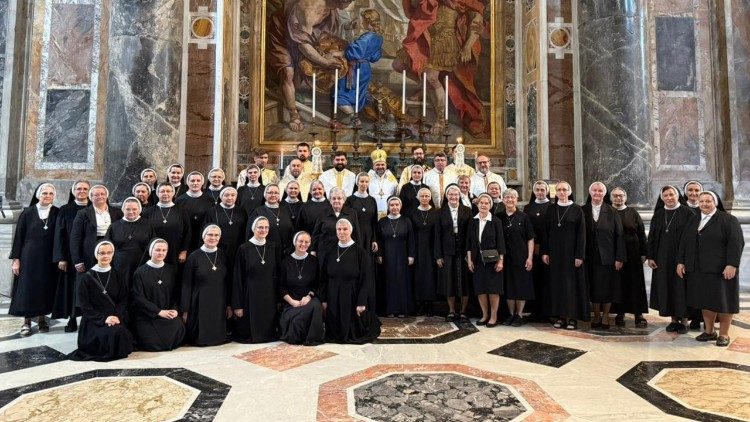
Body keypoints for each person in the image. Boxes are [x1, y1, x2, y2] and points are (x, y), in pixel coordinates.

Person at [678, 191, 744, 347]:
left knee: (724, 301)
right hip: (698, 269)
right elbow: (684, 242)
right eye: (702, 201)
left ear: (715, 202)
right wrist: (681, 262)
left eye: (708, 201)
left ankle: (724, 334)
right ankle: (709, 332)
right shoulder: (693, 219)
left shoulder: (728, 220)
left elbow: (736, 243)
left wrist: (732, 264)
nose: (704, 204)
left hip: (721, 269)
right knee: (705, 300)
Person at [69, 241, 134, 361]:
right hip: (94, 320)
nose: (106, 256)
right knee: (113, 334)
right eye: (102, 253)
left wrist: (116, 317)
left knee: (121, 332)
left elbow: (123, 299)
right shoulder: (86, 278)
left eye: (109, 253)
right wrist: (104, 319)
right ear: (96, 254)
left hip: (114, 318)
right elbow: (85, 306)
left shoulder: (117, 275)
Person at [10, 183, 60, 336]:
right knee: (27, 288)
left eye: (51, 193)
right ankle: (26, 321)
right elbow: (19, 237)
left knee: (44, 288)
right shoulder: (28, 212)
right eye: (45, 193)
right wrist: (16, 259)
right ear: (38, 195)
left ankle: (42, 320)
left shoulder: (57, 212)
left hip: (48, 258)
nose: (48, 196)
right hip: (29, 257)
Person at [320, 219, 380, 343]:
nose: (341, 232)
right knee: (333, 331)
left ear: (351, 231)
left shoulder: (360, 252)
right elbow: (324, 278)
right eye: (339, 229)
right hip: (332, 295)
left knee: (352, 331)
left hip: (351, 296)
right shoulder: (330, 251)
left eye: (345, 229)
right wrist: (324, 299)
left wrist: (361, 302)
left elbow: (365, 279)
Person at [541, 181, 588, 330]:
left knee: (571, 286)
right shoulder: (551, 209)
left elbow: (582, 234)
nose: (562, 192)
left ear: (569, 192)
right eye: (559, 190)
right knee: (557, 285)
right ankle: (560, 316)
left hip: (571, 255)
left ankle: (572, 317)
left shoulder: (577, 210)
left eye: (564, 189)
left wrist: (579, 255)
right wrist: (545, 252)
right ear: (555, 192)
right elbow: (545, 232)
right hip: (554, 254)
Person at [647, 185, 694, 334]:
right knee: (666, 287)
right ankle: (673, 320)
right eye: (665, 195)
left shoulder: (687, 212)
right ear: (662, 198)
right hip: (662, 258)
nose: (669, 198)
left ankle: (684, 320)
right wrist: (650, 256)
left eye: (671, 194)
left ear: (677, 195)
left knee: (681, 288)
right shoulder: (659, 214)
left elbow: (691, 239)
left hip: (681, 257)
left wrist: (685, 259)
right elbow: (652, 237)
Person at [583, 182, 625, 329]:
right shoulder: (582, 210)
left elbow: (619, 236)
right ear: (590, 192)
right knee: (593, 287)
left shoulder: (612, 211)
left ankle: (606, 315)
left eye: (600, 191)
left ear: (604, 193)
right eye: (594, 190)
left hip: (608, 257)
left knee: (607, 287)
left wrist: (619, 257)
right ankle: (596, 315)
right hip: (588, 256)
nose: (597, 193)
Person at [131, 238, 185, 351]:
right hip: (148, 316)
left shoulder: (171, 270)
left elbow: (175, 295)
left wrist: (174, 310)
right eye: (157, 250)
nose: (161, 253)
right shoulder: (140, 272)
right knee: (151, 339)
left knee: (178, 326)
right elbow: (139, 298)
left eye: (164, 250)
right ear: (151, 251)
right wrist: (159, 312)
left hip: (167, 313)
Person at [181, 225, 230, 346]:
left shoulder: (223, 255)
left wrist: (229, 305)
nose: (213, 238)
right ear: (203, 237)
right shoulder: (194, 257)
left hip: (219, 299)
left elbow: (228, 281)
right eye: (210, 235)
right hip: (200, 300)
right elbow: (186, 285)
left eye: (216, 235)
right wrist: (185, 309)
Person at [234, 217, 280, 343]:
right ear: (253, 229)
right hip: (250, 292)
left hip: (269, 292)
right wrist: (237, 305)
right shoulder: (244, 248)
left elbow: (277, 273)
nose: (263, 230)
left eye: (266, 227)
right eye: (260, 227)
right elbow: (237, 278)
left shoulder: (273, 247)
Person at [52, 180, 90, 332]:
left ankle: (89, 319)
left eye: (85, 189)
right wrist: (61, 257)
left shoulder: (94, 206)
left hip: (90, 255)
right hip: (70, 255)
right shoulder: (65, 209)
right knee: (72, 287)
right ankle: (72, 318)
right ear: (73, 191)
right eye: (79, 188)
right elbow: (59, 234)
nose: (82, 191)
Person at [333, 9, 384, 123]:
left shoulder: (367, 37)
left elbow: (354, 53)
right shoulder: (378, 37)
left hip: (356, 69)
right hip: (365, 69)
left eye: (363, 20)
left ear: (368, 21)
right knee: (357, 95)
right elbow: (375, 57)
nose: (361, 23)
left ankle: (354, 119)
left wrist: (338, 53)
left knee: (340, 95)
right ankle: (353, 117)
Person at [610, 187, 649, 328]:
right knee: (618, 284)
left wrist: (644, 252)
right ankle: (619, 313)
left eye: (621, 195)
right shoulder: (608, 211)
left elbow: (641, 233)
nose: (618, 198)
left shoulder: (632, 212)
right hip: (614, 254)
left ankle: (638, 314)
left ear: (625, 197)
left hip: (633, 253)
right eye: (615, 196)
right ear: (611, 197)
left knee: (635, 283)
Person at [279, 232, 324, 345]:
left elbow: (316, 284)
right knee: (295, 322)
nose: (303, 244)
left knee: (316, 306)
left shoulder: (314, 261)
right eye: (300, 241)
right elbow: (281, 286)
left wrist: (308, 297)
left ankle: (312, 338)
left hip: (309, 298)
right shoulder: (285, 262)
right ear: (295, 242)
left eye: (306, 242)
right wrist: (292, 301)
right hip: (291, 300)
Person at [467, 194, 505, 327]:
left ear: (490, 205)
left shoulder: (496, 221)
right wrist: (469, 260)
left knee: (493, 289)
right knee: (481, 289)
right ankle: (484, 315)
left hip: (493, 261)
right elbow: (468, 242)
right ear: (477, 205)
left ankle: (494, 316)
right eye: (481, 203)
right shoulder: (473, 221)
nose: (483, 205)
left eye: (486, 203)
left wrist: (500, 261)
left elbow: (501, 242)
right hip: (477, 260)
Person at [435, 184, 472, 321]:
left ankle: (463, 311)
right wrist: (438, 255)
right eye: (450, 194)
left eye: (456, 194)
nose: (453, 197)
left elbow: (470, 233)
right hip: (447, 250)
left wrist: (469, 253)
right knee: (449, 281)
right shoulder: (440, 212)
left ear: (459, 196)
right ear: (447, 196)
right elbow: (437, 235)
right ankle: (451, 310)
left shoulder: (467, 210)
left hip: (463, 249)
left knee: (464, 281)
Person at [499, 189, 535, 326]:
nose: (510, 200)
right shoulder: (498, 217)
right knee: (508, 286)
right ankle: (510, 314)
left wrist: (530, 257)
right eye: (507, 197)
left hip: (521, 256)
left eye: (512, 197)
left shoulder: (524, 217)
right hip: (504, 257)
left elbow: (530, 239)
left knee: (521, 285)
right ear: (503, 200)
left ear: (516, 199)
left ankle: (519, 315)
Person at [345, 173, 380, 311]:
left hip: (369, 238)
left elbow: (374, 222)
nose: (364, 184)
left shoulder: (372, 200)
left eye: (366, 181)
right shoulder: (350, 200)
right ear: (357, 182)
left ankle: (369, 305)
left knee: (368, 270)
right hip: (355, 238)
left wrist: (375, 239)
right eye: (361, 181)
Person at [70, 185, 123, 273]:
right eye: (96, 195)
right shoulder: (83, 213)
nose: (100, 196)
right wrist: (77, 260)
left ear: (107, 196)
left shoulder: (117, 212)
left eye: (102, 194)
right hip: (90, 251)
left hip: (112, 248)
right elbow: (75, 237)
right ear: (91, 197)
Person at [377, 197, 415, 317]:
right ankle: (390, 309)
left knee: (402, 281)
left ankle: (403, 309)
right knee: (389, 282)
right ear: (388, 207)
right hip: (387, 255)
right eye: (392, 205)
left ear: (400, 206)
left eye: (397, 205)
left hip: (402, 255)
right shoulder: (382, 221)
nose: (394, 207)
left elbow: (411, 239)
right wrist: (379, 254)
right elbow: (378, 240)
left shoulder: (406, 220)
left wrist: (411, 255)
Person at [106, 197, 154, 287]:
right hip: (120, 265)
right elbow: (107, 248)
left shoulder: (148, 225)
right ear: (123, 210)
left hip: (142, 264)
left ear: (139, 209)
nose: (131, 212)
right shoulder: (114, 226)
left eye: (134, 209)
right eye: (128, 209)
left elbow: (153, 247)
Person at [523, 180, 552, 321]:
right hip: (533, 249)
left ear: (547, 191)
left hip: (548, 249)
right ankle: (535, 311)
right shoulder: (528, 207)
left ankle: (548, 312)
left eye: (542, 189)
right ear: (533, 192)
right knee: (534, 280)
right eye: (537, 190)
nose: (540, 192)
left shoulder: (552, 207)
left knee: (547, 281)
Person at [312, 187, 362, 265]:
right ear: (330, 200)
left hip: (345, 252)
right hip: (325, 252)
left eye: (339, 198)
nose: (336, 201)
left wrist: (358, 251)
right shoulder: (323, 213)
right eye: (333, 198)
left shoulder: (352, 213)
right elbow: (316, 233)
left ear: (344, 200)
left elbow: (356, 233)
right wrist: (313, 250)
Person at [204, 186, 247, 276]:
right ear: (221, 196)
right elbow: (206, 233)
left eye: (233, 195)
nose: (230, 198)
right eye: (226, 195)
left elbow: (245, 231)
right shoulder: (212, 211)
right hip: (218, 249)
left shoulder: (242, 211)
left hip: (237, 249)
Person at [409, 188, 439, 316]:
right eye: (422, 196)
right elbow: (410, 234)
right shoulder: (412, 213)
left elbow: (438, 234)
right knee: (418, 276)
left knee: (430, 277)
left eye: (427, 196)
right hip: (418, 248)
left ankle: (430, 305)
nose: (425, 198)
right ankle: (420, 304)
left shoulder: (436, 213)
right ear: (418, 198)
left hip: (432, 249)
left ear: (430, 197)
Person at [143, 184, 190, 266]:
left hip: (175, 251)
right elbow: (144, 233)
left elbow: (187, 232)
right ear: (157, 193)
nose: (165, 193)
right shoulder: (148, 212)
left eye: (168, 191)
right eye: (162, 191)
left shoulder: (181, 211)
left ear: (173, 193)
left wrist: (184, 251)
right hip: (154, 252)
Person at [247, 184, 294, 255]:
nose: (273, 195)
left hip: (285, 253)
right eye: (270, 192)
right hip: (264, 252)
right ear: (265, 195)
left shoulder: (286, 211)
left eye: (276, 193)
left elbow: (291, 231)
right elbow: (250, 233)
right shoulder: (258, 212)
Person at [176, 171, 215, 252]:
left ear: (202, 183)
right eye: (192, 181)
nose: (195, 183)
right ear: (188, 182)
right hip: (184, 238)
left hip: (204, 237)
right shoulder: (179, 200)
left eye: (198, 180)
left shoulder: (209, 200)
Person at [367, 150, 398, 219]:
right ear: (373, 166)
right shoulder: (367, 179)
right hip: (371, 213)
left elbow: (396, 195)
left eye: (382, 165)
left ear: (386, 166)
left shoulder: (392, 180)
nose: (380, 167)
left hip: (389, 213)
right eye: (377, 165)